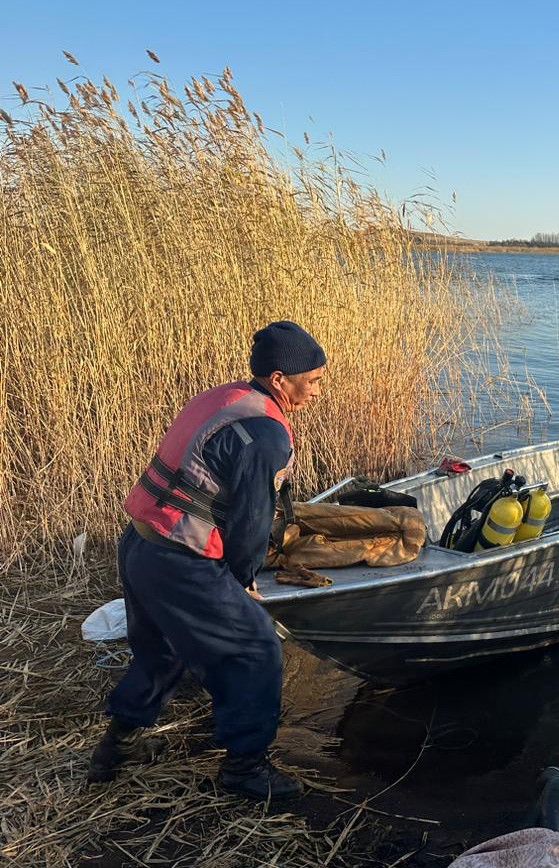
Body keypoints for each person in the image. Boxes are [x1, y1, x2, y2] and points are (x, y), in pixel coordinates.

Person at [86, 321, 327, 801]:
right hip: (181, 562)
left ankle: (115, 750)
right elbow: (251, 525)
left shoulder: (224, 397)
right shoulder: (265, 434)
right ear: (280, 380)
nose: (318, 391)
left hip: (140, 546)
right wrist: (242, 582)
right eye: (314, 380)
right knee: (257, 652)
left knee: (163, 653)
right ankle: (245, 771)